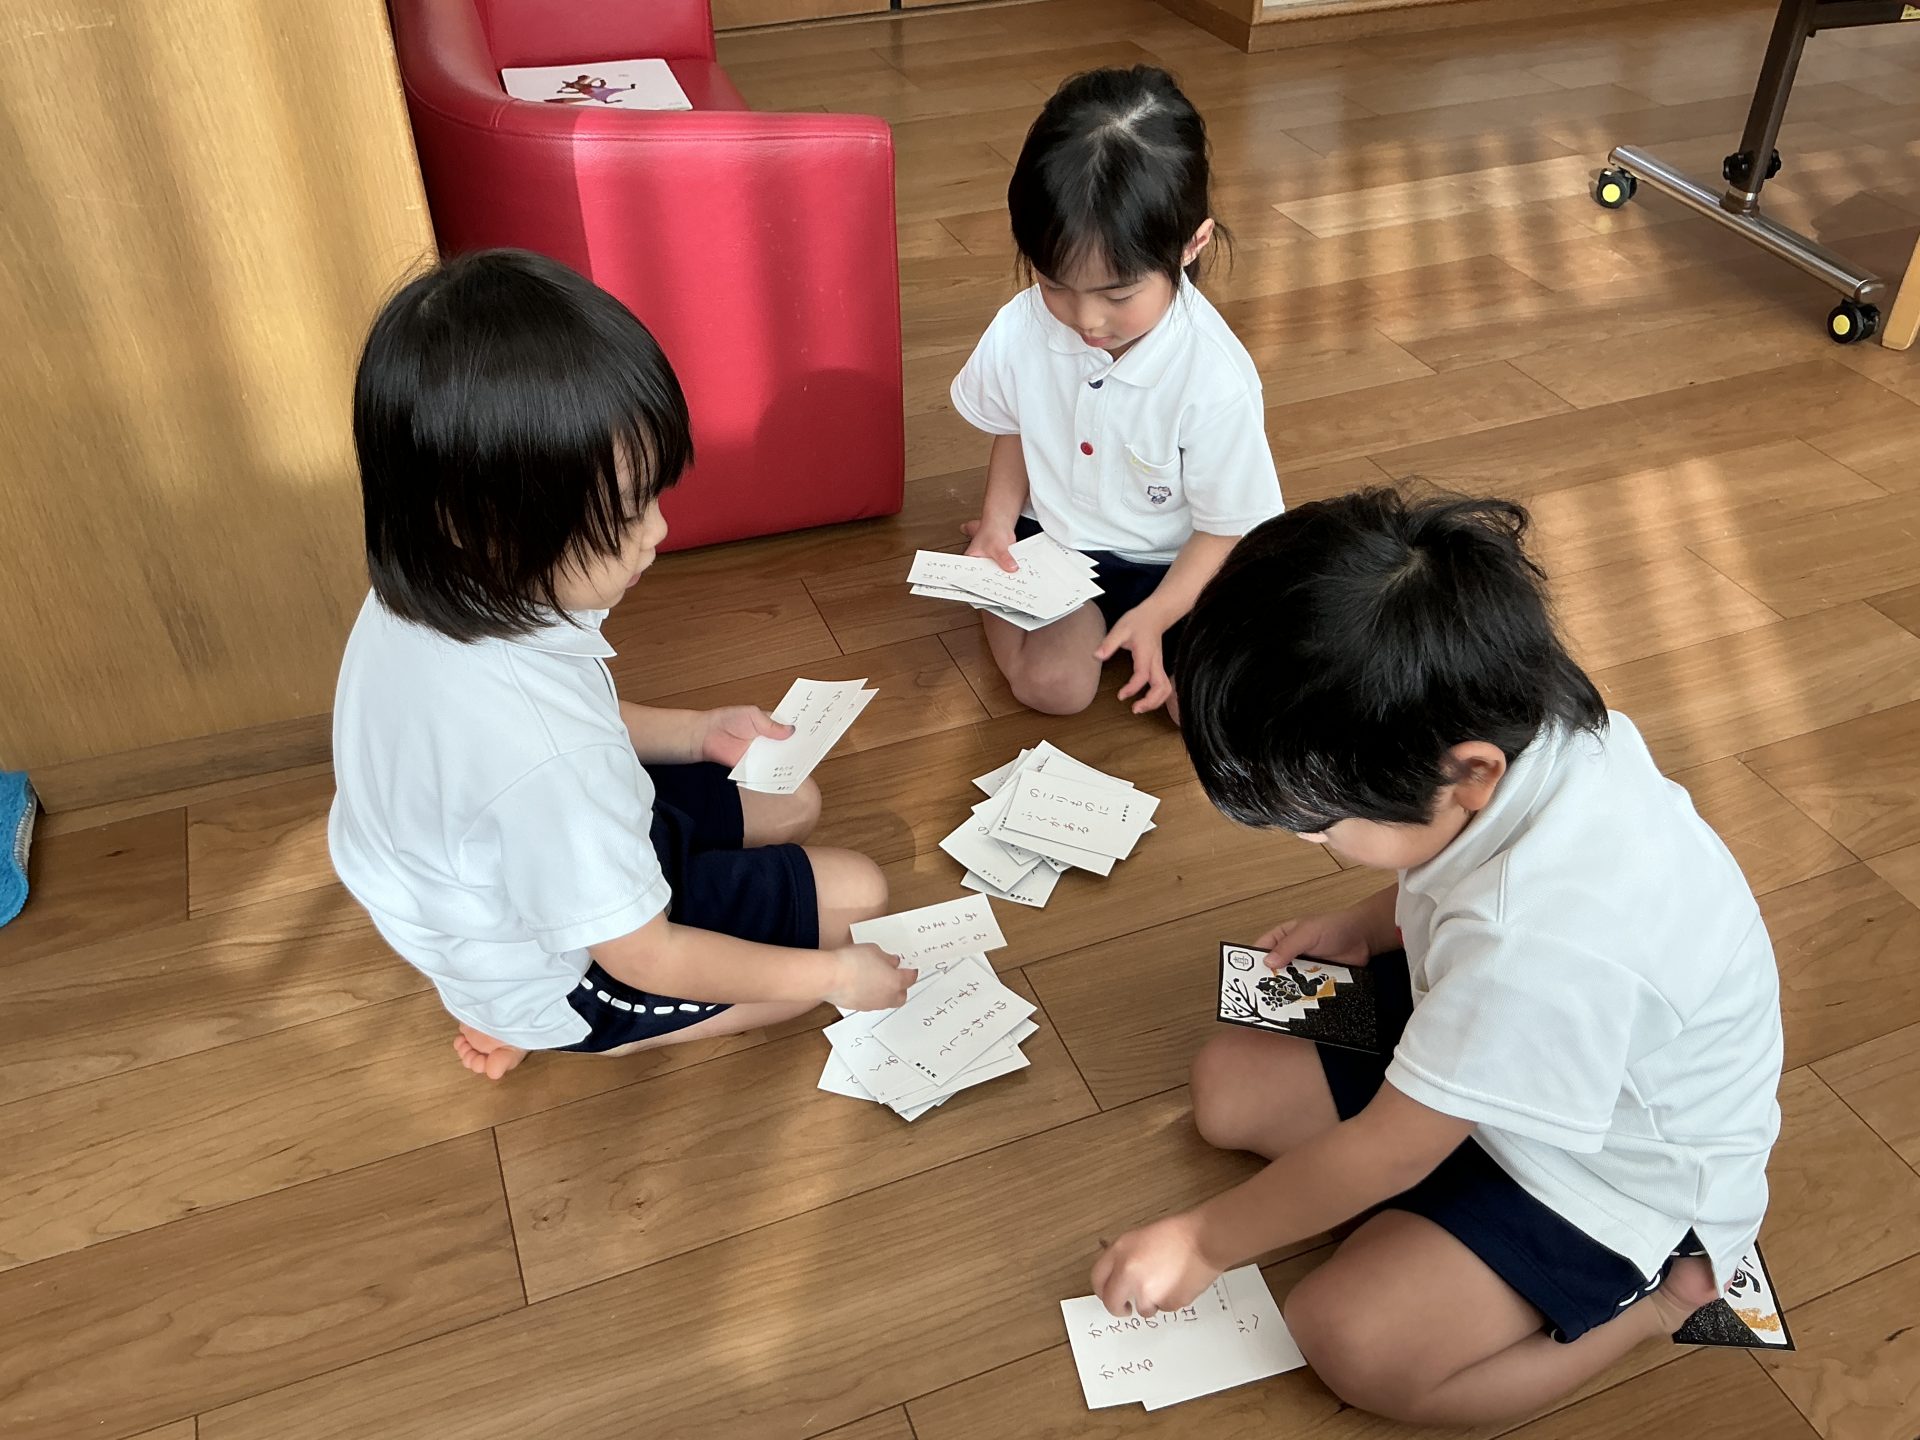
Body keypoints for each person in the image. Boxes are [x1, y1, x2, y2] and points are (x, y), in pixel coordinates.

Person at [1092, 489, 1783, 1425]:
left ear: (1470, 771)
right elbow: (1459, 875)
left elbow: (1388, 1150)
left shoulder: (1543, 944)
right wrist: (1363, 925)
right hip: (1490, 1038)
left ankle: (1660, 1305)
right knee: (1227, 1088)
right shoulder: (1520, 720)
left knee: (1347, 1337)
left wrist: (1204, 1243)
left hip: (1602, 1176)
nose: (1313, 843)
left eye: (1323, 824)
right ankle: (1440, 1222)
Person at [328, 249, 911, 1081]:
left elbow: (570, 719)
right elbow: (647, 954)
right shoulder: (543, 758)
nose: (658, 532)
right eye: (626, 514)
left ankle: (518, 999)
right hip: (571, 970)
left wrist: (698, 731)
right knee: (858, 902)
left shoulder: (431, 581)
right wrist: (835, 980)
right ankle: (554, 1030)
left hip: (533, 870)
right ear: (485, 524)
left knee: (795, 798)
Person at [950, 66, 1283, 718]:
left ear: (1191, 244)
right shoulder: (1024, 326)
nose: (1086, 319)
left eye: (1119, 294)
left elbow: (1226, 530)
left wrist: (1157, 613)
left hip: (1178, 564)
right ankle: (993, 589)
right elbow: (1015, 426)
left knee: (1202, 710)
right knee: (1054, 688)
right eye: (1054, 284)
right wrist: (996, 524)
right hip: (1059, 547)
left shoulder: (1213, 376)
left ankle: (1139, 629)